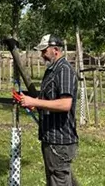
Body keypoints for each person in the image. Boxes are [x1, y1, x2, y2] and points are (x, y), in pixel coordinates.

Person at [20, 34, 79, 186]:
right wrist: (29, 99)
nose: (42, 55)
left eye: (44, 51)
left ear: (55, 50)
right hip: (50, 138)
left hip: (60, 140)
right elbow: (47, 98)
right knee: (55, 180)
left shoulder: (64, 70)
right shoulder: (52, 70)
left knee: (58, 181)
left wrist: (34, 101)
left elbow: (66, 104)